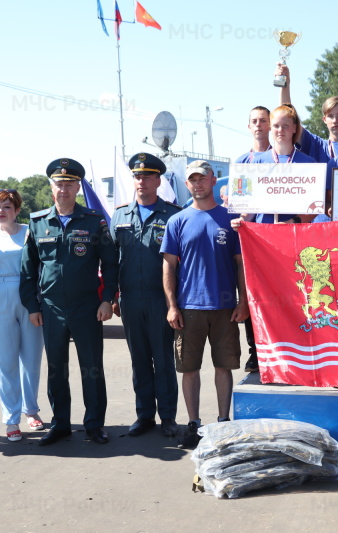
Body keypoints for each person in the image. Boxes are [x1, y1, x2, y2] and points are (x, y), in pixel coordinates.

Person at [20, 158, 118, 446]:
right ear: (52, 188)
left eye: (69, 184)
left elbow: (110, 264)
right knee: (56, 369)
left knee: (92, 368)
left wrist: (107, 299)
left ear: (77, 187)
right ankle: (60, 423)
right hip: (51, 309)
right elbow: (28, 269)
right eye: (58, 184)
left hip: (87, 307)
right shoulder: (37, 222)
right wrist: (33, 307)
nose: (63, 189)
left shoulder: (93, 221)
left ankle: (94, 425)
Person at [161, 160, 249, 449]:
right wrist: (172, 306)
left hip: (224, 307)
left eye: (203, 178)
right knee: (190, 368)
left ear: (214, 181)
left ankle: (224, 422)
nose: (198, 184)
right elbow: (169, 267)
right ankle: (193, 424)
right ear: (187, 184)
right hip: (189, 308)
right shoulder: (177, 221)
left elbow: (241, 265)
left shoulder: (231, 219)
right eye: (192, 180)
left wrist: (244, 301)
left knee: (224, 367)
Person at [233, 104, 319, 373]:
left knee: (297, 299)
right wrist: (242, 219)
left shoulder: (308, 164)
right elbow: (247, 205)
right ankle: (265, 355)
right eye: (276, 125)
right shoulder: (255, 163)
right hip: (263, 245)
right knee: (265, 299)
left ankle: (301, 356)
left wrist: (292, 222)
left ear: (295, 129)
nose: (280, 130)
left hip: (294, 244)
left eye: (285, 125)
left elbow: (314, 210)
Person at [111, 153, 181, 438]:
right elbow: (111, 259)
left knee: (163, 359)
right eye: (137, 176)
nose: (141, 181)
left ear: (157, 180)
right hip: (129, 298)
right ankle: (144, 416)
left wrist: (175, 303)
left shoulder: (173, 215)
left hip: (160, 300)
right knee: (139, 359)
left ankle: (168, 417)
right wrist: (113, 295)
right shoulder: (119, 215)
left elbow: (181, 263)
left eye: (147, 176)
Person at [0, 189, 45, 442]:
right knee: (4, 362)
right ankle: (11, 419)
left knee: (32, 358)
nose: (1, 211)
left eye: (7, 206)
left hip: (30, 297)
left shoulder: (32, 232)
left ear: (17, 210)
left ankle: (31, 410)